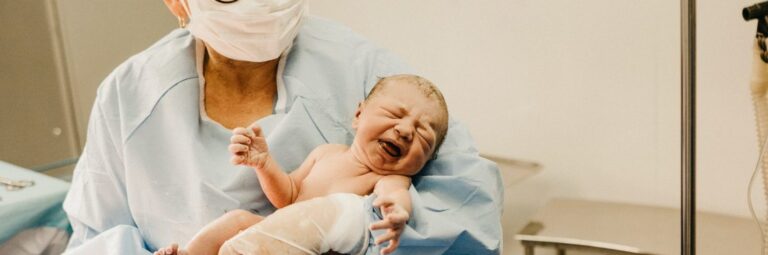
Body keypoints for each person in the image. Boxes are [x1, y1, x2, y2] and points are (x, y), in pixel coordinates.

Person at [62, 0, 503, 254]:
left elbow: (469, 211)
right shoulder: (130, 94)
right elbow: (95, 238)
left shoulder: (371, 75)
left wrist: (347, 222)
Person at [154, 75, 449, 255]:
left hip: (316, 250)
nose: (406, 130)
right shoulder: (326, 153)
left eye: (424, 133)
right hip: (271, 236)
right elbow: (288, 196)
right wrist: (265, 164)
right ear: (359, 115)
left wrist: (398, 213)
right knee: (238, 220)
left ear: (428, 159)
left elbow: (393, 196)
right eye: (394, 113)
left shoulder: (387, 178)